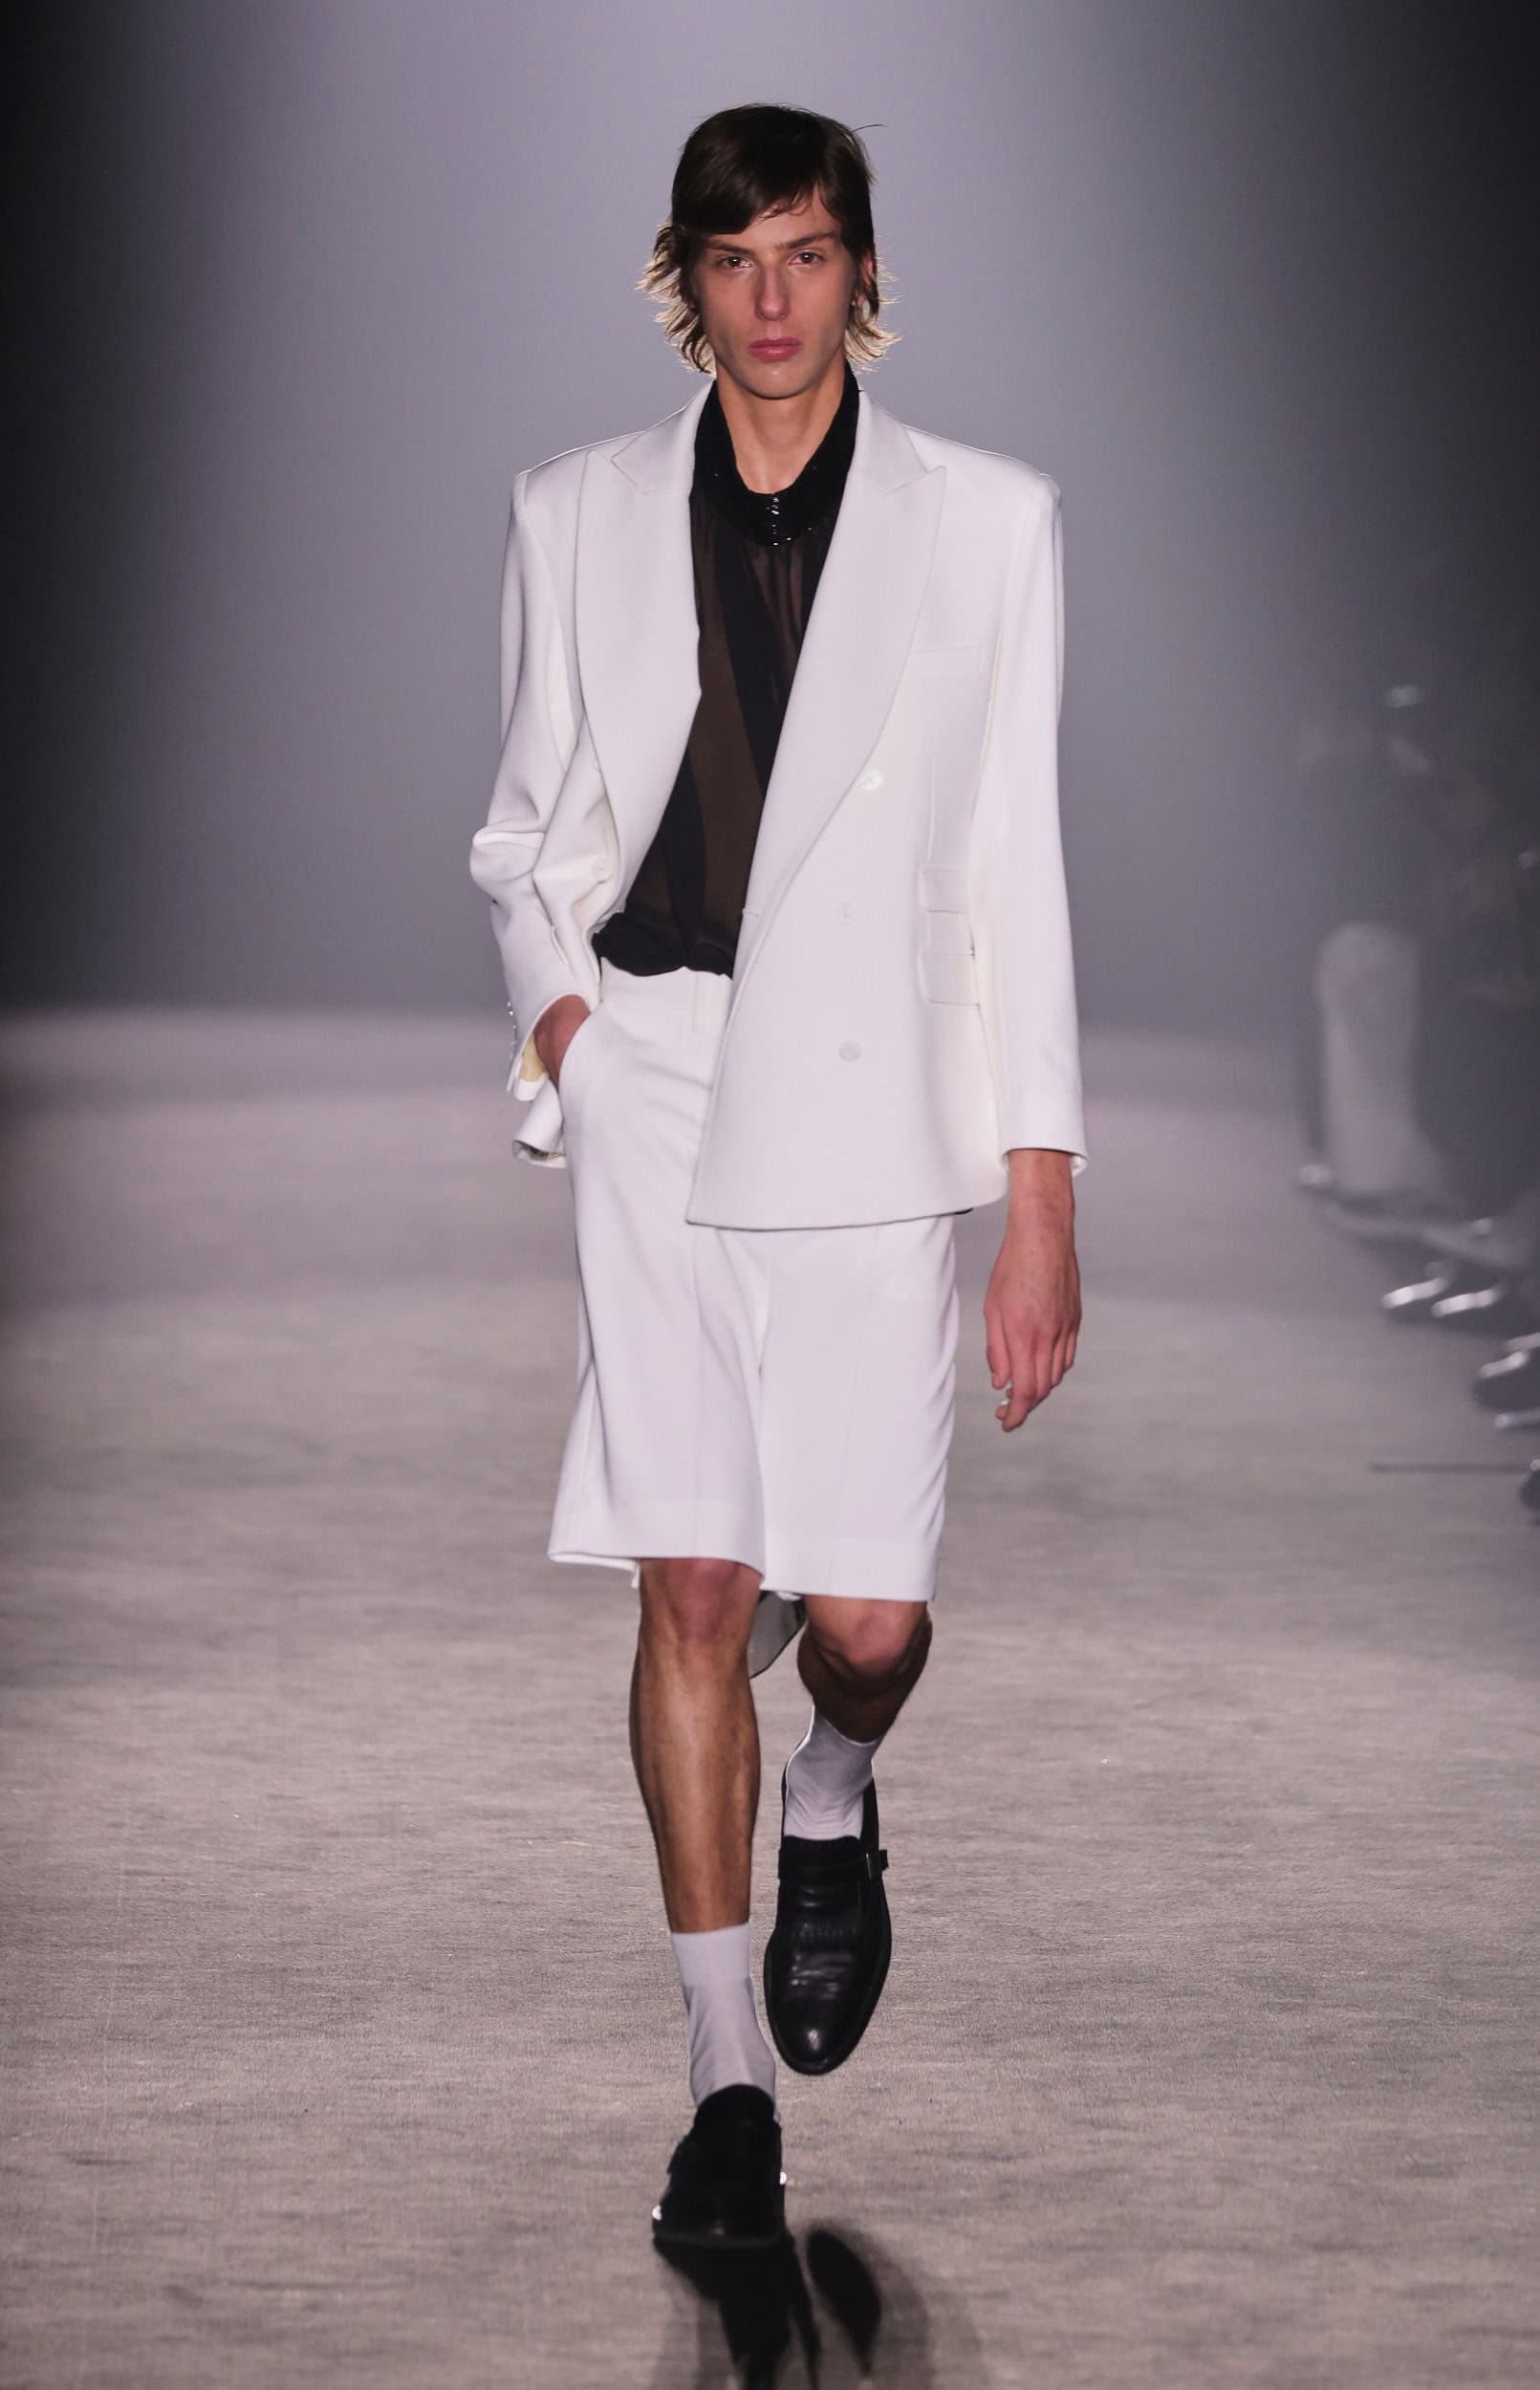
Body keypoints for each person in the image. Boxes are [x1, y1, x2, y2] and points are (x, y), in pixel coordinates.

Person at [469, 103, 1086, 2249]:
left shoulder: (988, 522)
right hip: (656, 1071)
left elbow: (1015, 869)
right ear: (685, 276)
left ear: (861, 273)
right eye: (733, 259)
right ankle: (725, 2088)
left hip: (872, 1108)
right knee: (700, 1591)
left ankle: (836, 1785)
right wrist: (568, 1029)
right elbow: (524, 825)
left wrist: (1041, 1194)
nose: (770, 299)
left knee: (872, 1618)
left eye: (807, 254)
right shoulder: (572, 508)